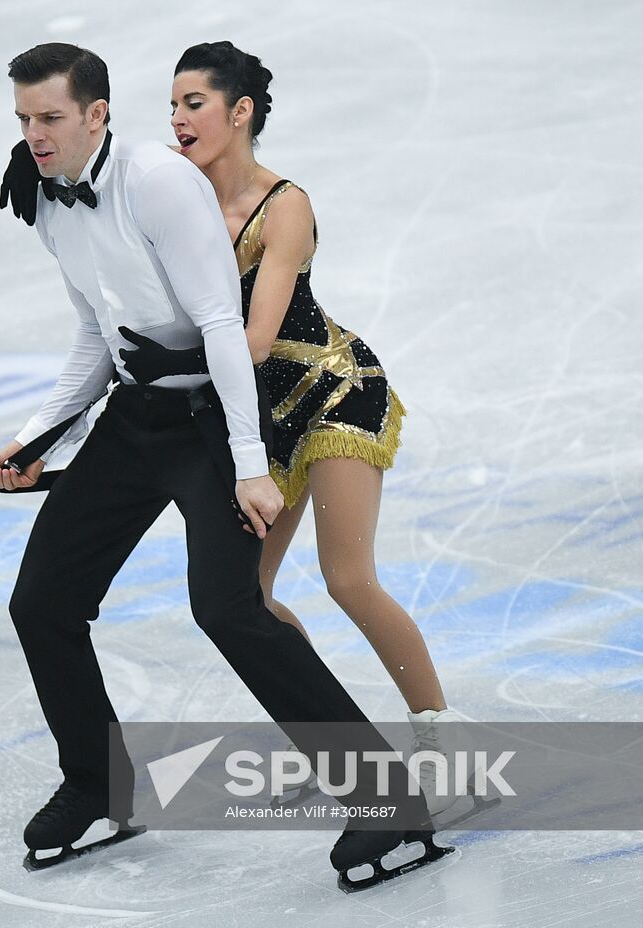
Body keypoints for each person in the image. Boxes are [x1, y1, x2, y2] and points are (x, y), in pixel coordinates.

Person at [0, 42, 446, 890]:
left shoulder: (161, 184)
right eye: (23, 118)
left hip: (213, 419)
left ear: (96, 115)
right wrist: (37, 438)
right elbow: (97, 333)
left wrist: (248, 465)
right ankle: (98, 784)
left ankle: (387, 799)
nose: (34, 135)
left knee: (230, 609)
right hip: (134, 419)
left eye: (49, 118)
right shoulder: (45, 198)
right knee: (42, 602)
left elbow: (222, 326)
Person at [113, 41, 474, 823]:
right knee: (246, 596)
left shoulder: (286, 205)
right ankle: (331, 745)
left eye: (195, 104)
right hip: (260, 420)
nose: (177, 120)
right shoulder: (177, 200)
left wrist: (172, 356)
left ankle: (444, 746)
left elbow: (256, 339)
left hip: (332, 396)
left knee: (347, 579)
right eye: (171, 106)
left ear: (239, 112)